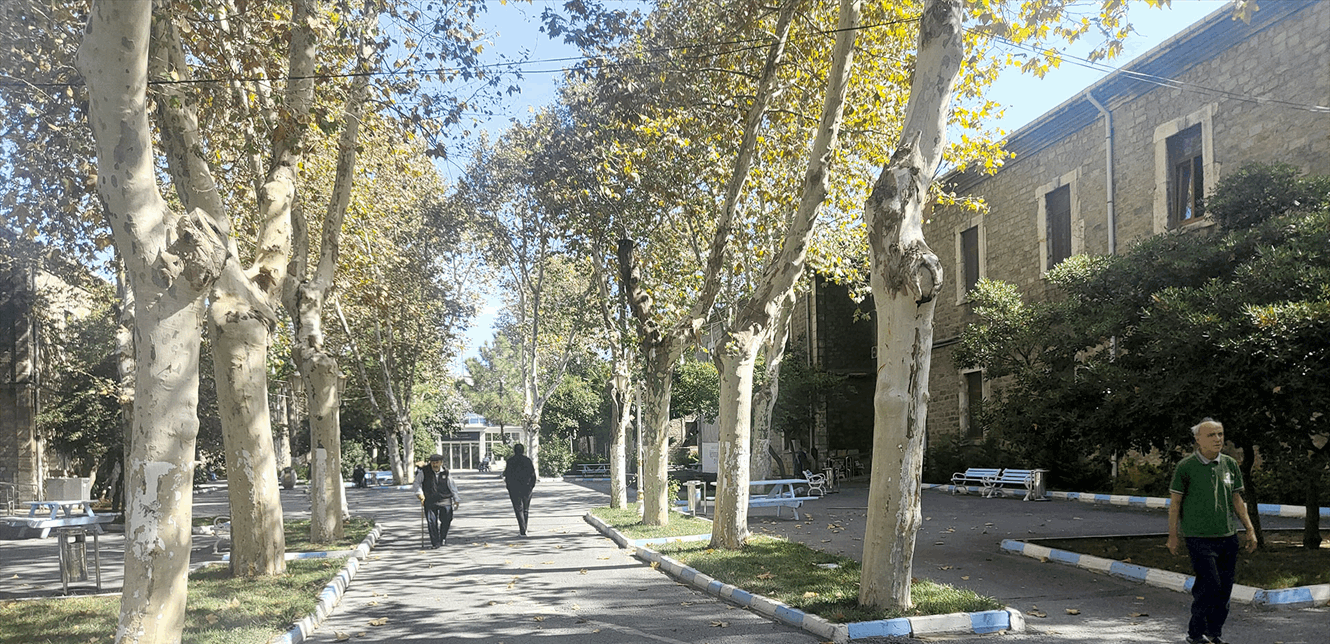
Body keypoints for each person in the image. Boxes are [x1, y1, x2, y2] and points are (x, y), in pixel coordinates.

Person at [1167, 418, 1258, 644]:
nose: (1218, 439)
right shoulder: (1186, 467)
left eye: (1220, 434)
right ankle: (1195, 633)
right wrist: (1173, 536)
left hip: (1227, 536)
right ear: (1198, 439)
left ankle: (1214, 633)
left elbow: (1237, 500)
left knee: (1224, 589)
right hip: (1198, 537)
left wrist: (1249, 529)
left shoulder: (1229, 464)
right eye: (1211, 435)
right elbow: (1175, 504)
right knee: (1209, 585)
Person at [414, 454, 461, 548]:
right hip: (430, 500)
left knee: (447, 519)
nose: (435, 465)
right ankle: (435, 543)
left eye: (437, 462)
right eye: (433, 462)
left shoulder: (446, 472)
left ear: (441, 463)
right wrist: (420, 493)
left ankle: (442, 537)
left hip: (445, 499)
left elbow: (452, 486)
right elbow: (416, 483)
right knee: (431, 522)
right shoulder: (424, 472)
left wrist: (456, 499)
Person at [503, 443, 537, 537]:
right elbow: (533, 474)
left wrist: (508, 486)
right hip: (526, 487)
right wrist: (532, 485)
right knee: (525, 509)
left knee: (518, 509)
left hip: (514, 488)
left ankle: (522, 529)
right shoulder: (527, 461)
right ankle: (524, 528)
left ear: (514, 451)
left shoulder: (510, 461)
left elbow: (507, 475)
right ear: (523, 450)